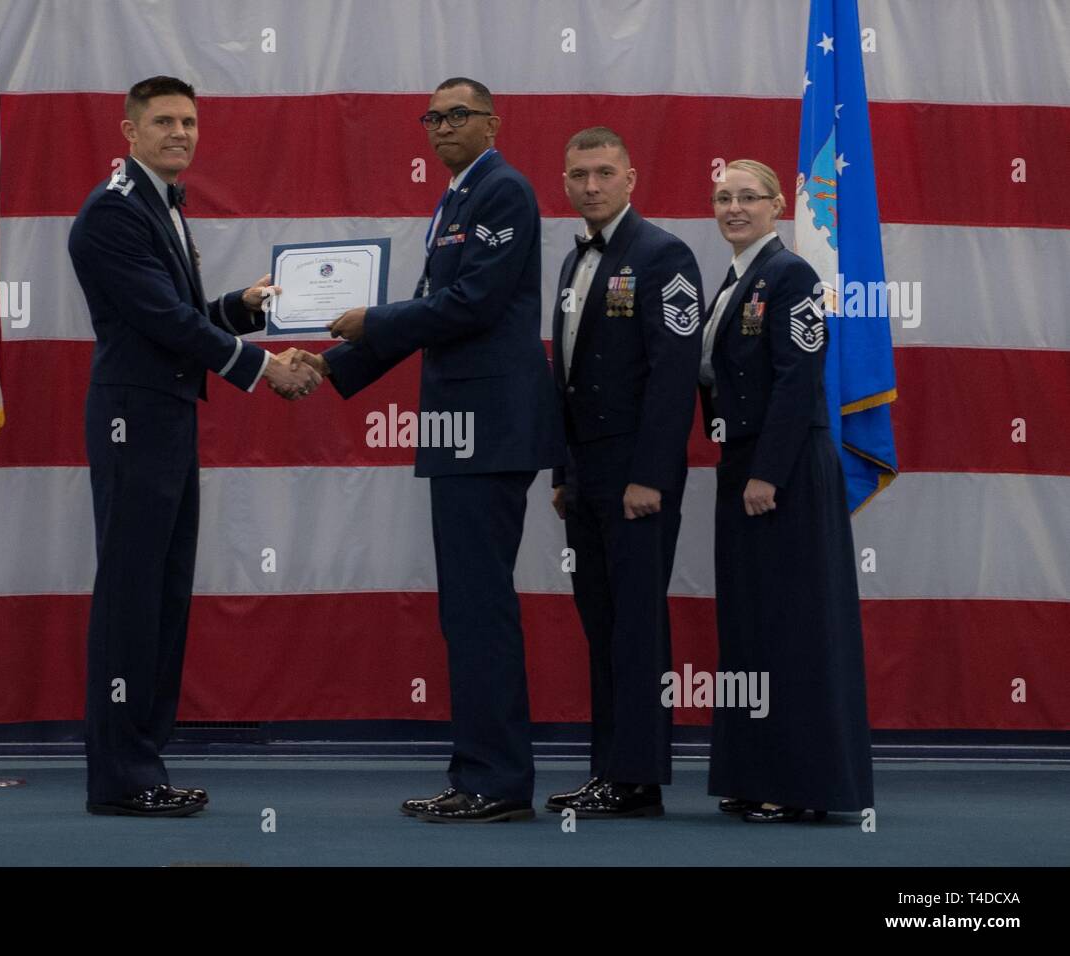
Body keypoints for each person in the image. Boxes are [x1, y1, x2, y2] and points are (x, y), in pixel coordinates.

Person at [296, 77, 565, 822]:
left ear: (492, 122)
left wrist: (372, 321)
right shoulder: (456, 199)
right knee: (468, 608)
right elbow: (433, 313)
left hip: (490, 429)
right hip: (462, 430)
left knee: (479, 609)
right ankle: (479, 772)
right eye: (432, 117)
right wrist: (335, 363)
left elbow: (471, 304)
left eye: (458, 115)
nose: (442, 126)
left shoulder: (503, 191)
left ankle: (497, 782)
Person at [68, 75, 319, 817]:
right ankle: (122, 778)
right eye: (165, 121)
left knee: (163, 597)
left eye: (190, 122)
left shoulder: (161, 205)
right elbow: (161, 323)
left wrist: (239, 310)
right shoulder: (114, 213)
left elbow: (179, 317)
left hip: (165, 417)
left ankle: (144, 762)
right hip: (133, 421)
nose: (181, 133)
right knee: (131, 598)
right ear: (129, 130)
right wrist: (263, 366)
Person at [700, 159, 874, 822]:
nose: (734, 207)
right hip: (741, 465)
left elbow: (800, 377)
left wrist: (768, 472)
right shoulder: (734, 280)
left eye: (748, 197)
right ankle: (753, 772)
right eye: (723, 197)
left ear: (778, 205)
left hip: (787, 470)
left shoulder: (791, 275)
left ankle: (801, 786)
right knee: (750, 628)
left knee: (792, 630)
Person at [544, 128, 703, 817]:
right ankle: (609, 769)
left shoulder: (665, 254)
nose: (591, 185)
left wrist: (652, 475)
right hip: (584, 472)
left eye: (605, 172)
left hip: (637, 472)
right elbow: (566, 375)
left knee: (636, 626)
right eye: (579, 174)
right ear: (564, 180)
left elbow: (675, 375)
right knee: (601, 623)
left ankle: (637, 778)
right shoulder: (572, 260)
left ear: (632, 178)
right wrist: (560, 469)